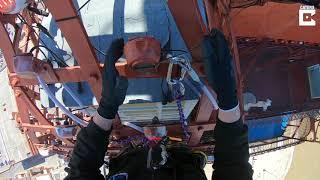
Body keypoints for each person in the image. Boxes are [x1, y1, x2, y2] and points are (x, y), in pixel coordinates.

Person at [64, 29, 253, 180]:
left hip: (129, 158)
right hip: (182, 158)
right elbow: (233, 166)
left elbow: (81, 171)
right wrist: (228, 100)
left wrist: (105, 111)